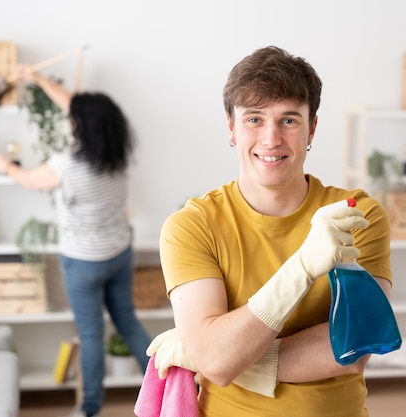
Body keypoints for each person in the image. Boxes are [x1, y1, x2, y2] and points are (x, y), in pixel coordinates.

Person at [144, 46, 392, 416]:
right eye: (254, 119)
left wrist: (232, 358)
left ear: (312, 127)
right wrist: (303, 266)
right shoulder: (193, 226)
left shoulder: (355, 214)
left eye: (289, 120)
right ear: (231, 126)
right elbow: (213, 358)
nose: (271, 138)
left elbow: (357, 346)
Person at [0, 68, 152, 417]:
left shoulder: (66, 166)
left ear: (78, 126)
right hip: (119, 252)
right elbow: (79, 111)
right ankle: (168, 392)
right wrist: (40, 80)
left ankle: (89, 409)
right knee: (129, 324)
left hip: (84, 262)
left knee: (91, 334)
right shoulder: (117, 157)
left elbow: (29, 180)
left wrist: (4, 166)